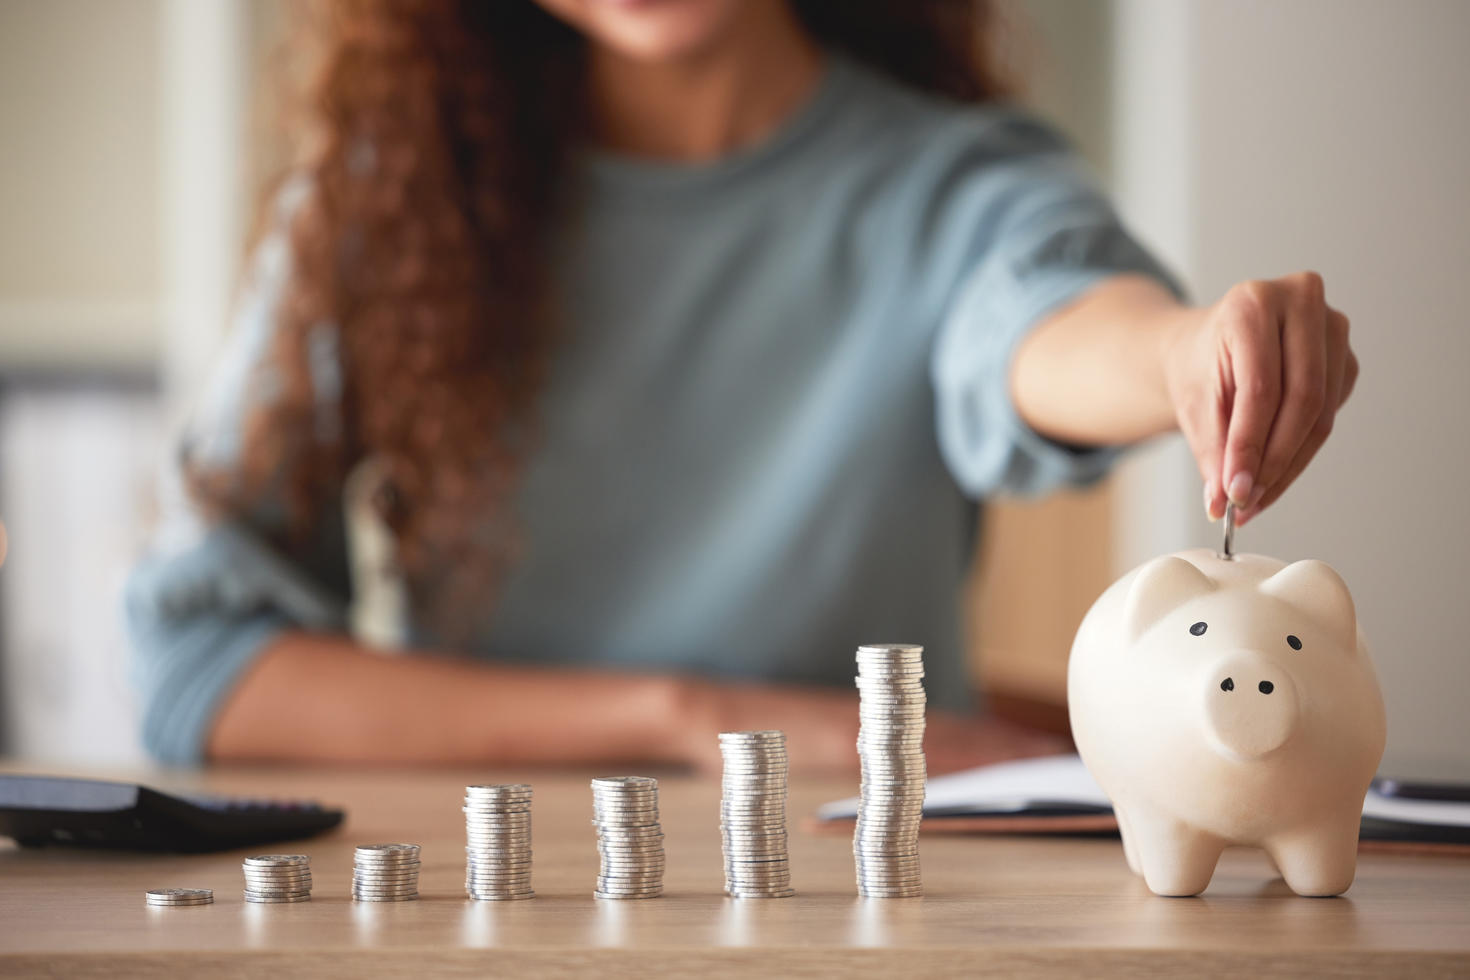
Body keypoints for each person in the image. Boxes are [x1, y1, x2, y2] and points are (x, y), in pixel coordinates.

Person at [125, 0, 1356, 773]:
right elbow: (199, 663)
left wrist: (1188, 354)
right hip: (493, 911)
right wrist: (692, 714)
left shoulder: (952, 184)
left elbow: (1047, 323)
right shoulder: (380, 211)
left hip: (882, 916)